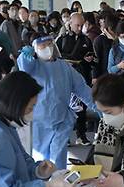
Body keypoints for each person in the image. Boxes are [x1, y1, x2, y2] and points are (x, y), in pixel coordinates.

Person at [18, 35, 97, 170]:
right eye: (42, 46)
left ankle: (59, 186)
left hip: (61, 120)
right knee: (40, 159)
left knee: (58, 157)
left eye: (49, 44)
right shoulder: (33, 66)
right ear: (35, 49)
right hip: (39, 122)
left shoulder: (64, 67)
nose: (47, 48)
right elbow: (24, 68)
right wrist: (26, 55)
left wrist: (99, 107)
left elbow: (82, 89)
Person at [57, 12, 96, 145]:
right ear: (70, 24)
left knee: (82, 107)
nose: (79, 28)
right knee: (64, 106)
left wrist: (89, 59)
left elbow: (93, 59)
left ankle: (81, 134)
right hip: (65, 76)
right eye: (77, 25)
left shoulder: (86, 40)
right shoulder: (61, 39)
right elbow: (57, 57)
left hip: (81, 74)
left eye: (81, 25)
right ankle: (65, 136)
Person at [93, 12, 118, 84]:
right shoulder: (99, 40)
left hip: (117, 74)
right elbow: (96, 59)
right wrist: (95, 76)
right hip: (104, 75)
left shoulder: (118, 39)